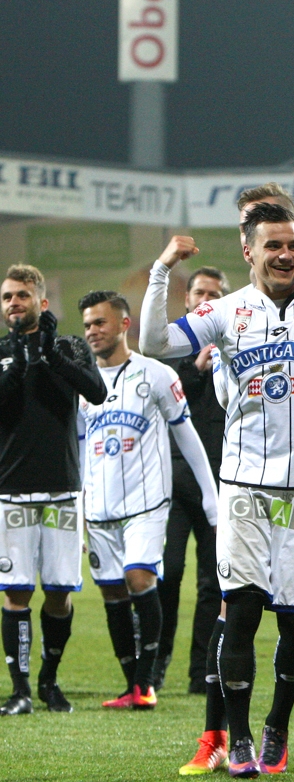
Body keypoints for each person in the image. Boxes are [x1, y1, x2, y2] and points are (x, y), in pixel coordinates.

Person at [141, 204, 294, 778]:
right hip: (244, 488)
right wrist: (162, 269)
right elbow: (154, 340)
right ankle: (242, 738)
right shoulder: (225, 313)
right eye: (271, 244)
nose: (283, 254)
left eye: (291, 244)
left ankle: (278, 723)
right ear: (249, 252)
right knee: (243, 611)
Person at [78, 291, 218, 709]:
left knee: (140, 577)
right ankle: (132, 685)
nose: (92, 331)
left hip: (147, 502)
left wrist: (212, 501)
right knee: (112, 594)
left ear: (124, 324)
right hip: (100, 507)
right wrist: (79, 509)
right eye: (87, 324)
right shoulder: (82, 384)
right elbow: (81, 448)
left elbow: (186, 436)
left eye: (100, 323)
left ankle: (146, 682)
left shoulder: (156, 374)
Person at [0, 264, 106, 715]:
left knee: (60, 592)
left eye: (22, 295)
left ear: (41, 302)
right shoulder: (0, 352)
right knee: (16, 592)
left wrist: (49, 354)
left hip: (62, 488)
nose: (12, 304)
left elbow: (97, 392)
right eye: (6, 297)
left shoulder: (69, 346)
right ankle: (20, 688)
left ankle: (49, 681)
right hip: (10, 489)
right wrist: (23, 360)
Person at [154, 266, 230, 694]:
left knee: (211, 581)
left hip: (220, 481)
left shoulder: (235, 346)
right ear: (187, 300)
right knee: (167, 571)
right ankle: (157, 661)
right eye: (200, 292)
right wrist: (195, 370)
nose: (206, 298)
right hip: (173, 480)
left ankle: (202, 670)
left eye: (214, 294)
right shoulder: (166, 350)